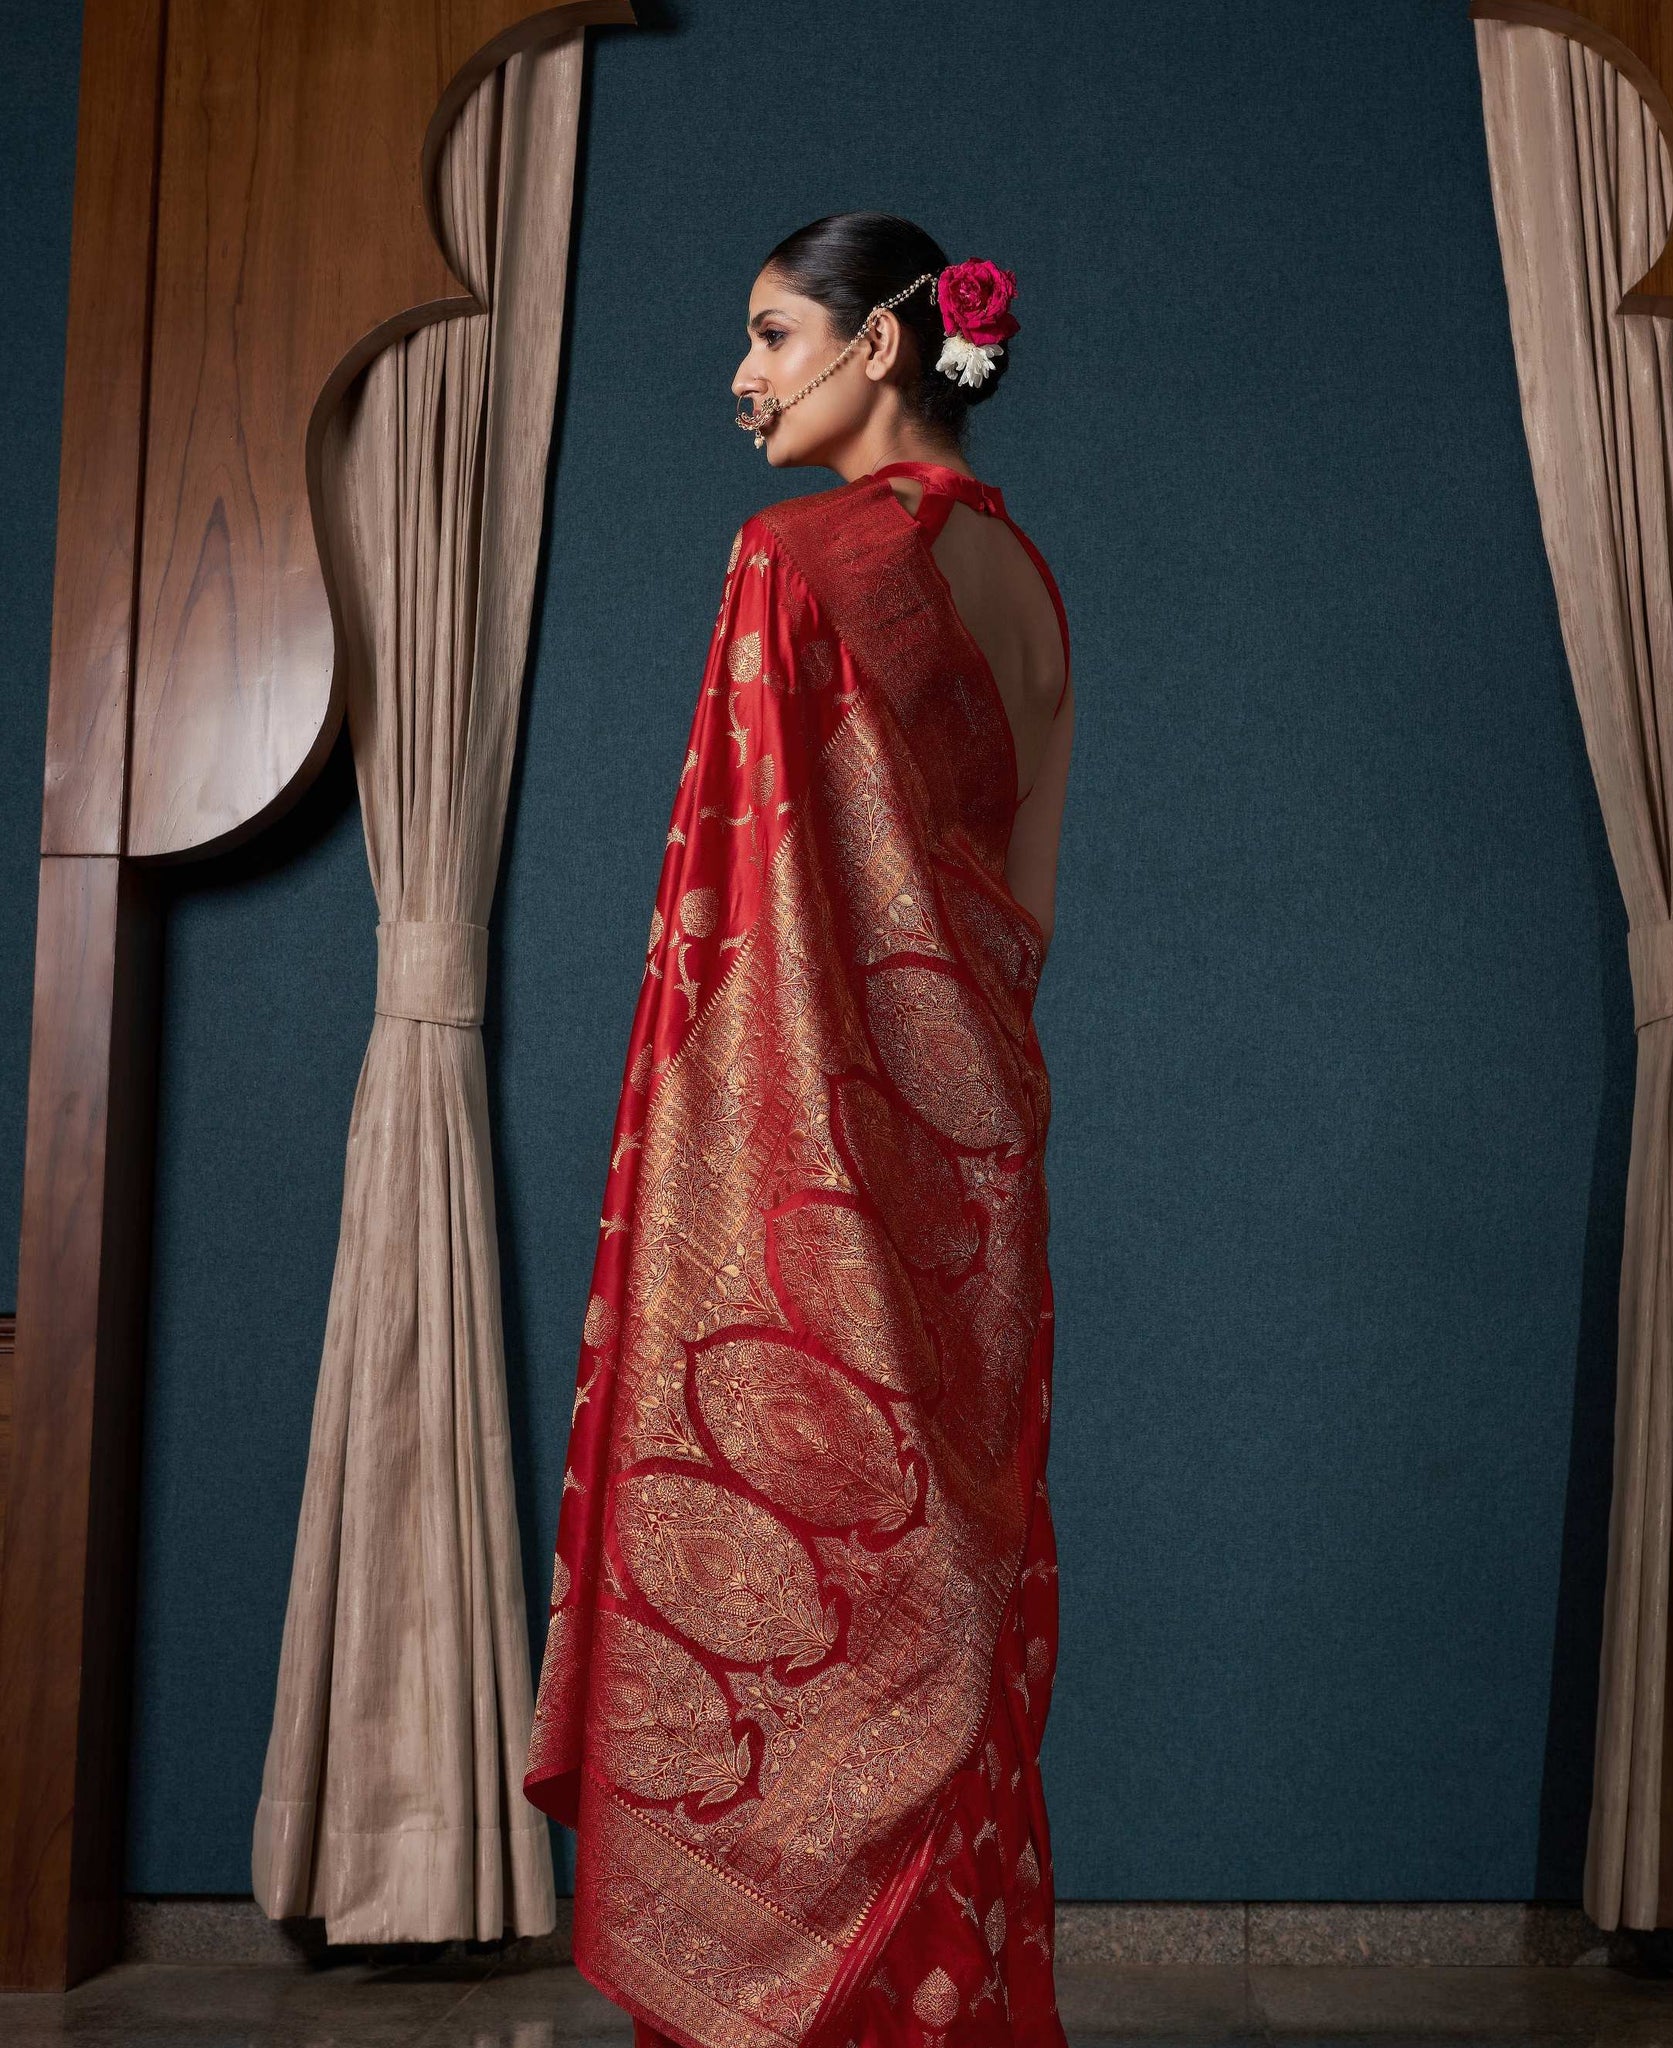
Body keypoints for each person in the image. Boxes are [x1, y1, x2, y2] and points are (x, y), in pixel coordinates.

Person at [524, 212, 1075, 2048]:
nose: (743, 379)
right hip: (972, 1148)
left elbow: (740, 932)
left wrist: (735, 1151)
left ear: (884, 348)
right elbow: (1023, 920)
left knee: (802, 1569)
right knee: (938, 1591)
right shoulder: (1033, 584)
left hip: (811, 1155)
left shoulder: (797, 560)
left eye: (772, 335)